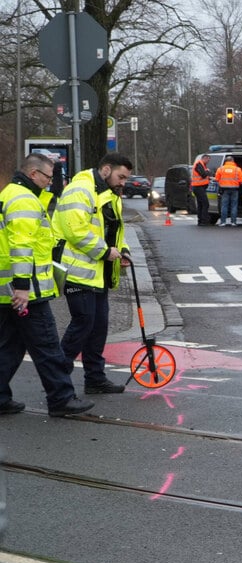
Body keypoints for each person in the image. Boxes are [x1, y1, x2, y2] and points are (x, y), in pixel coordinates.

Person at [0, 153, 95, 417]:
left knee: (9, 346)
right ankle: (61, 399)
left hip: (9, 289)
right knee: (48, 346)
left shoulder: (11, 193)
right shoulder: (24, 199)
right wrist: (22, 286)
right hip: (26, 290)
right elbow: (22, 246)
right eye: (47, 176)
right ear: (33, 174)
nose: (50, 182)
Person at [52, 152, 134, 396]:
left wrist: (123, 250)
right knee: (84, 323)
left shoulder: (110, 194)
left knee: (98, 326)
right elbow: (75, 229)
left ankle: (95, 379)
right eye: (121, 177)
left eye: (126, 179)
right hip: (77, 271)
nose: (123, 183)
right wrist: (104, 252)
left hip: (97, 273)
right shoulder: (80, 189)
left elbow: (115, 230)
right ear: (106, 170)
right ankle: (57, 380)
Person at [214, 155, 242, 227]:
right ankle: (233, 222)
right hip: (234, 189)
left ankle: (223, 222)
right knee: (234, 206)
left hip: (224, 190)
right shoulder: (237, 169)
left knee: (224, 206)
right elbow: (241, 180)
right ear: (233, 161)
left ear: (225, 161)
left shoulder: (220, 169)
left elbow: (216, 179)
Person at [191, 154, 212, 226]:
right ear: (204, 158)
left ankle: (200, 220)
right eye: (208, 160)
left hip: (200, 187)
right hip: (198, 187)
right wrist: (208, 171)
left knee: (201, 204)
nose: (208, 162)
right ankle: (204, 220)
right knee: (205, 204)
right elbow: (203, 174)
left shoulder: (202, 165)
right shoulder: (198, 164)